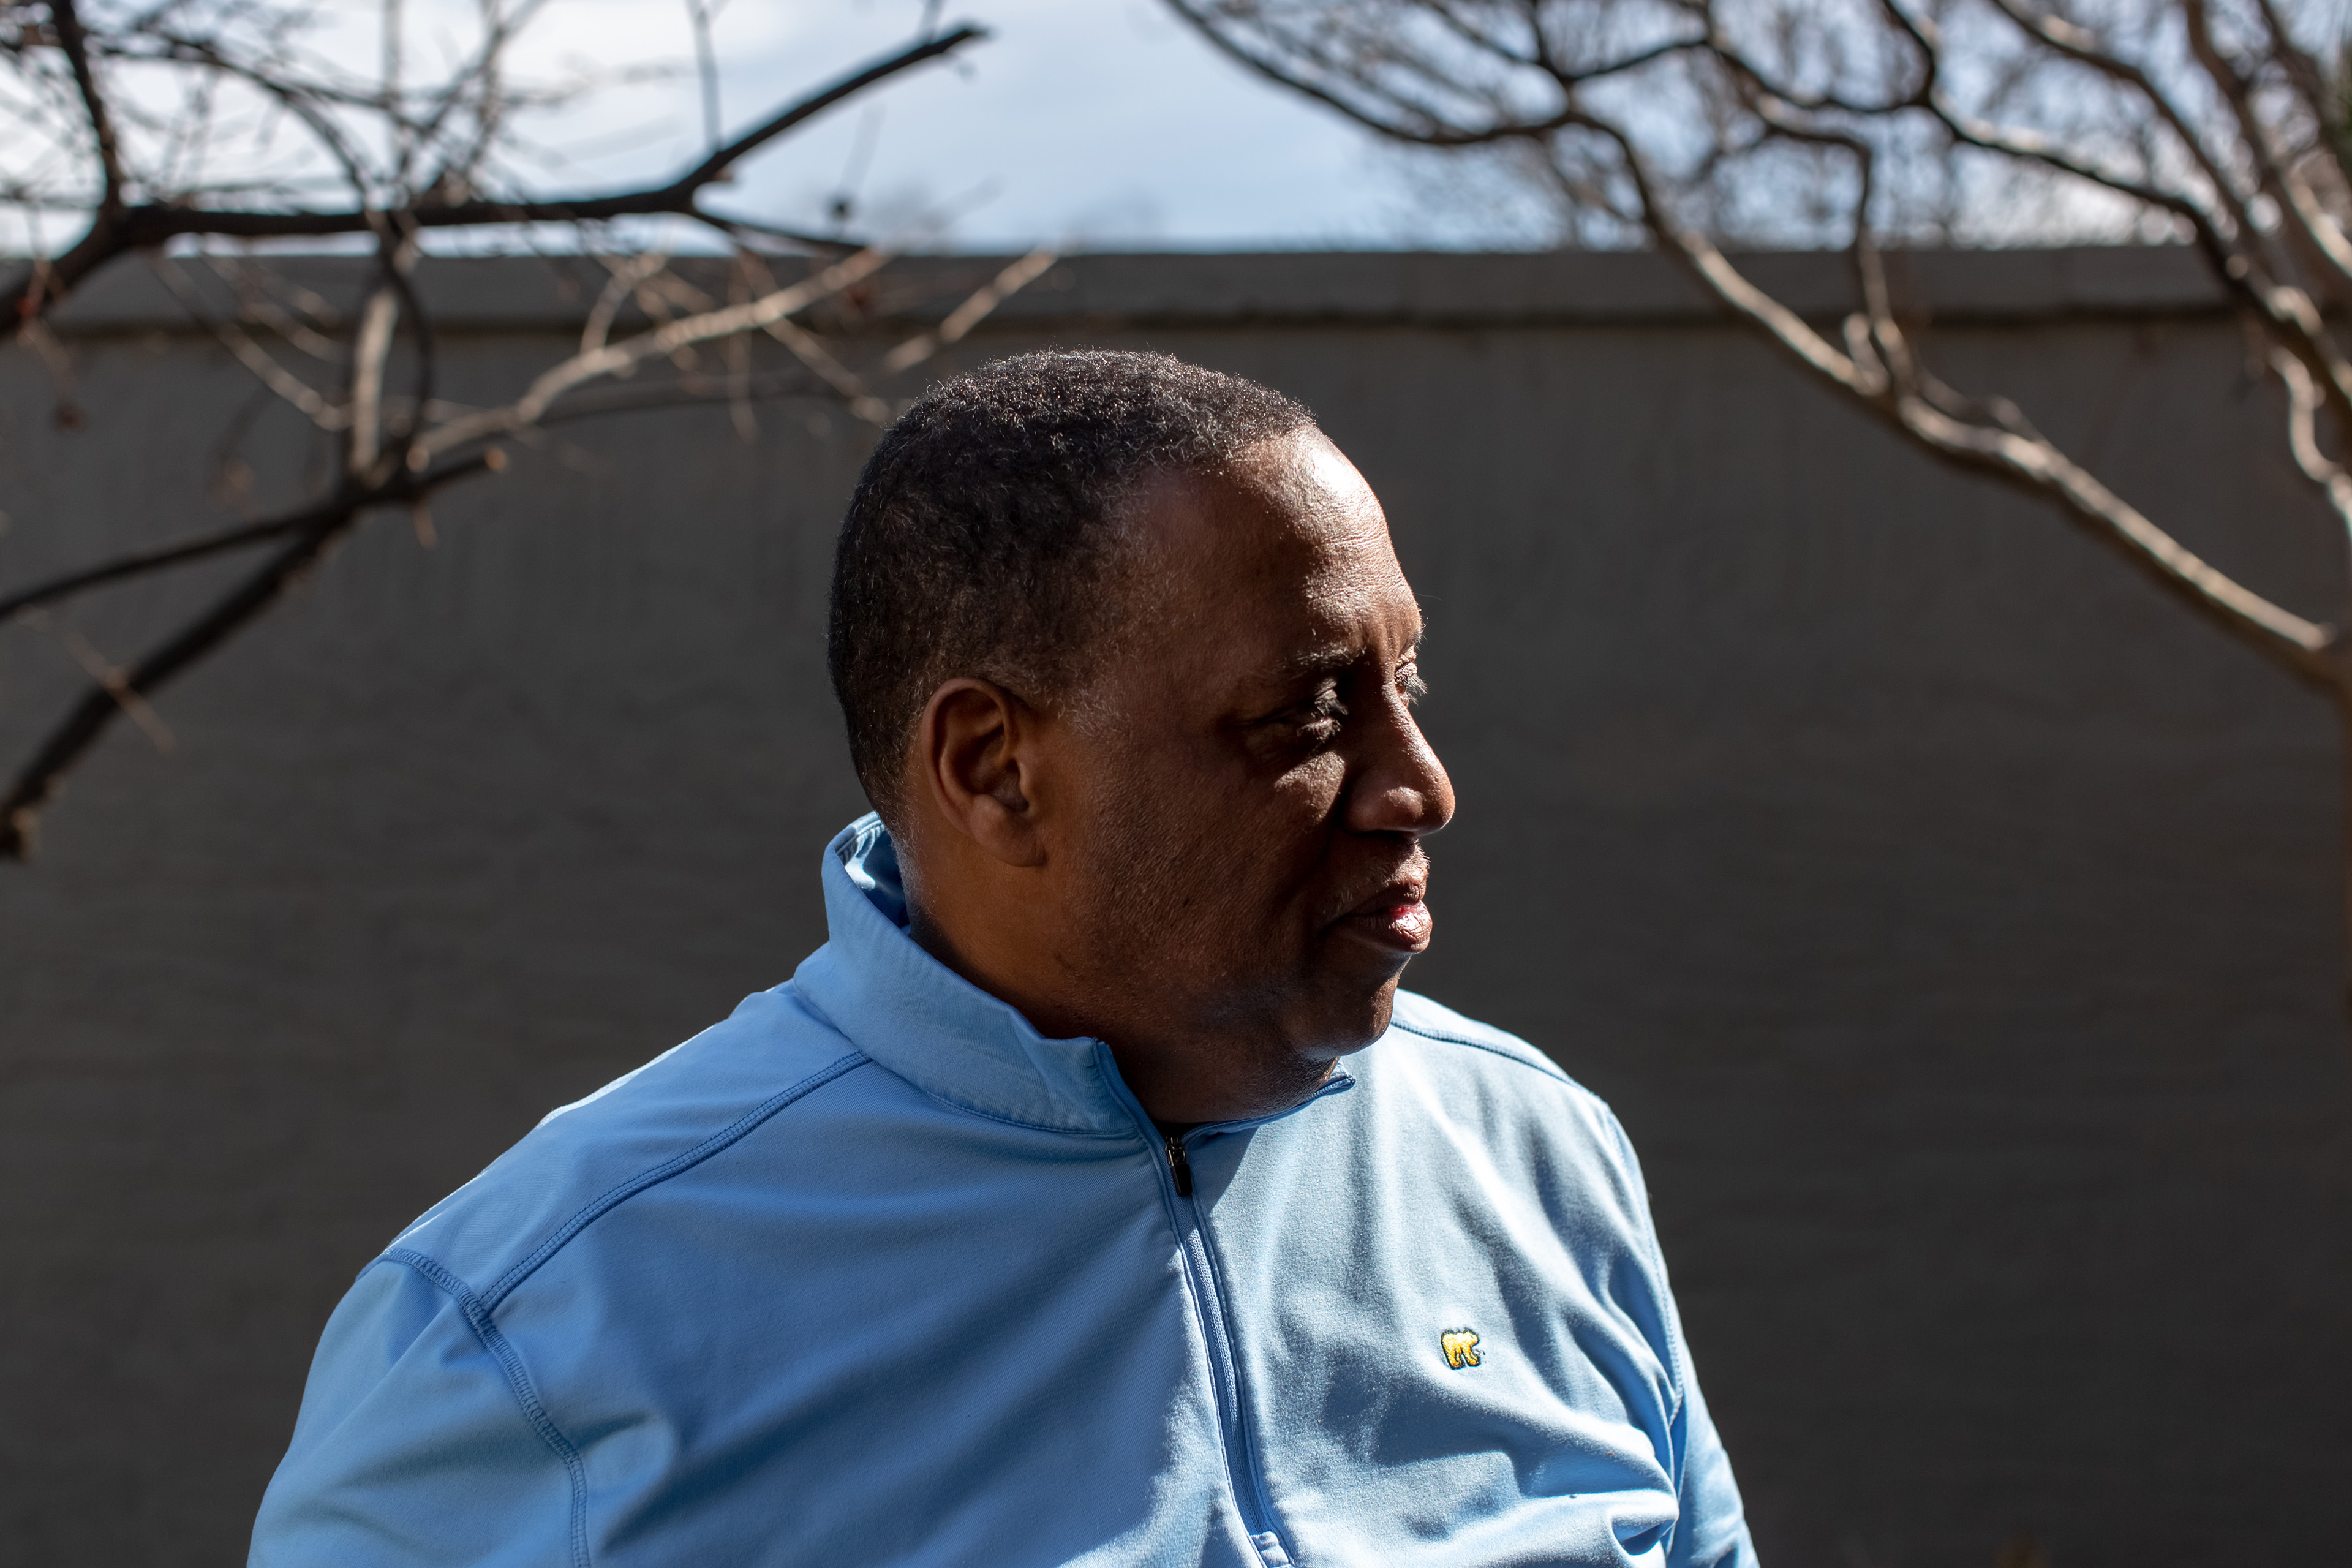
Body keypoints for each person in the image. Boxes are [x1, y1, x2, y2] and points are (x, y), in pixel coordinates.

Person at [249, 350, 1757, 1567]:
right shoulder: (532, 1326)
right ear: (996, 768)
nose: (1419, 785)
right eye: (1306, 711)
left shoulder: (1536, 1154)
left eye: (1404, 684)